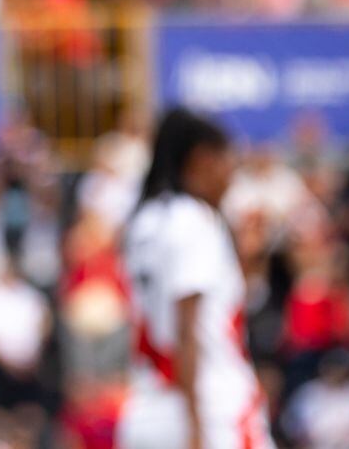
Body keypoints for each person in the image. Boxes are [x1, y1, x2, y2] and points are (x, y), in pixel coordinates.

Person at [118, 108, 273, 449]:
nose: (231, 175)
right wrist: (196, 428)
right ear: (203, 160)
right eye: (228, 161)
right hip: (211, 408)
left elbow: (211, 312)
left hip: (146, 409)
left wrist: (249, 258)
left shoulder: (142, 221)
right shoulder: (194, 220)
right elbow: (185, 330)